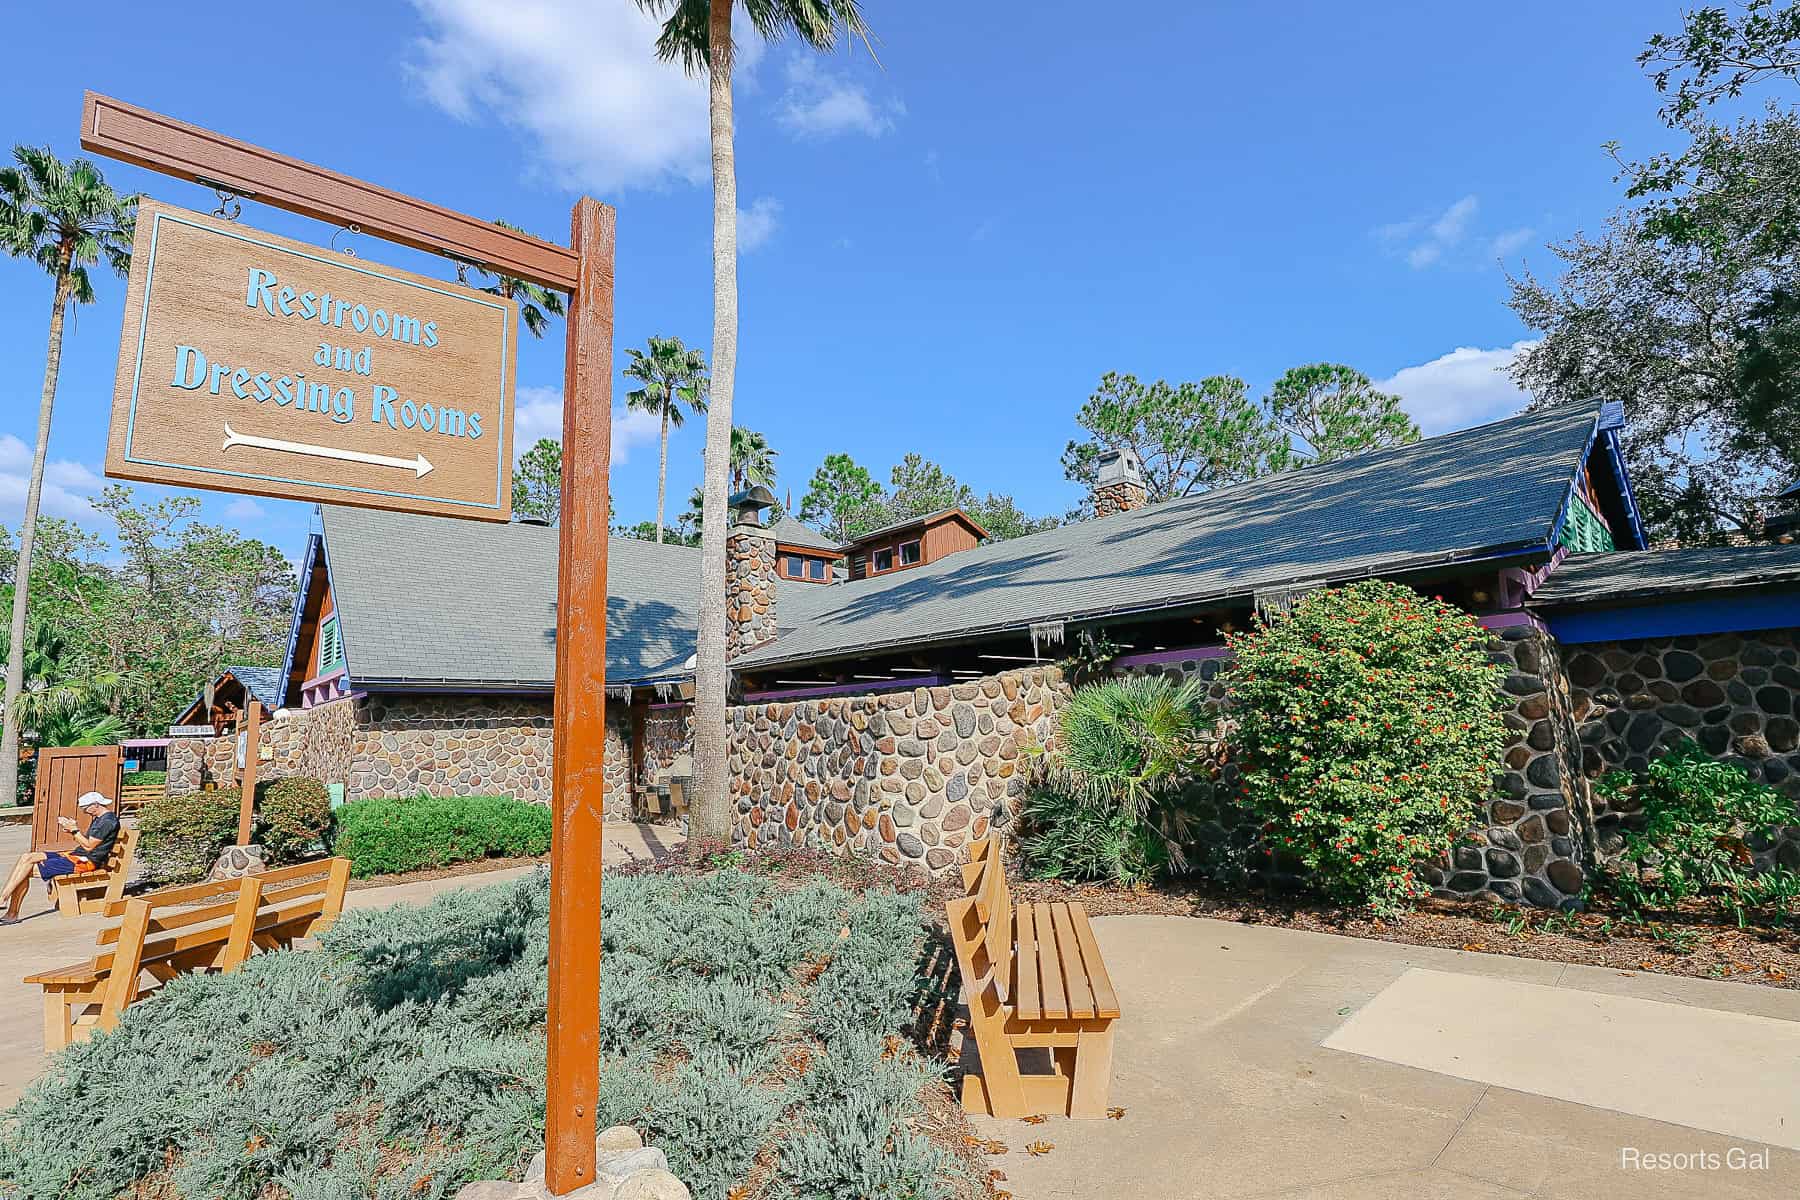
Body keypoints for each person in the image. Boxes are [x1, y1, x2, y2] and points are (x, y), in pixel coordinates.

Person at [0, 792, 120, 923]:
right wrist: (71, 830)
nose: (84, 812)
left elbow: (89, 846)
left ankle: (10, 911)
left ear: (96, 805)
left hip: (84, 862)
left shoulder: (107, 821)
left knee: (26, 870)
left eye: (85, 808)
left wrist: (74, 830)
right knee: (27, 857)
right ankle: (3, 898)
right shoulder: (100, 819)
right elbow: (87, 842)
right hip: (76, 855)